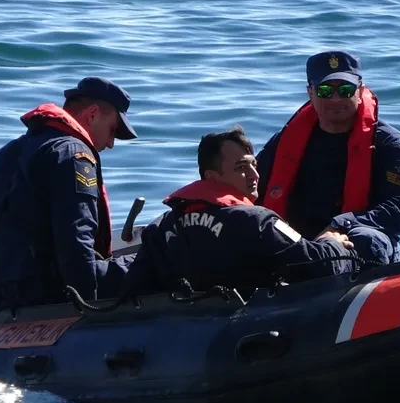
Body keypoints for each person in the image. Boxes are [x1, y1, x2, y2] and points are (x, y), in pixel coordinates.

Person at [127, 126, 357, 297]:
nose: (255, 176)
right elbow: (321, 266)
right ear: (212, 177)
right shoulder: (257, 221)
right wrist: (332, 243)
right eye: (241, 168)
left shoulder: (162, 226)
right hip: (253, 331)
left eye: (254, 166)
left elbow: (136, 286)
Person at [0, 76, 137, 309]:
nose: (110, 144)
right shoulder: (74, 154)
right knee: (154, 261)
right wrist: (88, 309)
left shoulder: (4, 155)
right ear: (93, 114)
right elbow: (75, 240)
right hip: (54, 291)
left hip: (11, 293)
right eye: (112, 130)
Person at [256, 50, 400, 265]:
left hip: (355, 239)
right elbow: (251, 189)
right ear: (310, 93)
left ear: (360, 91)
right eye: (324, 91)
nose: (335, 98)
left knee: (366, 239)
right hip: (298, 241)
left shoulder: (389, 144)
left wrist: (340, 225)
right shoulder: (286, 141)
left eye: (345, 90)